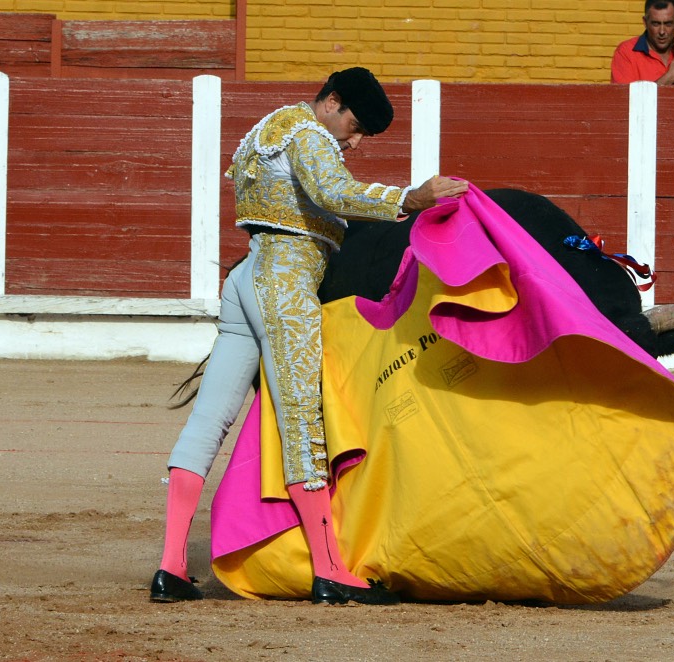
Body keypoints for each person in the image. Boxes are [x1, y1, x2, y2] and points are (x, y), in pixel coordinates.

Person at [149, 67, 469, 605]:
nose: (356, 140)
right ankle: (329, 570)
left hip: (247, 274)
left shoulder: (267, 129)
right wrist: (409, 198)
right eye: (356, 125)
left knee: (209, 420)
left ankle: (171, 566)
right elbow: (333, 192)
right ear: (332, 102)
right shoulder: (309, 135)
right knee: (304, 418)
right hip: (287, 276)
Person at [611, 0, 674, 86]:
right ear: (645, 22)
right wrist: (670, 77)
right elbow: (626, 100)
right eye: (656, 24)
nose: (662, 31)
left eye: (668, 24)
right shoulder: (626, 52)